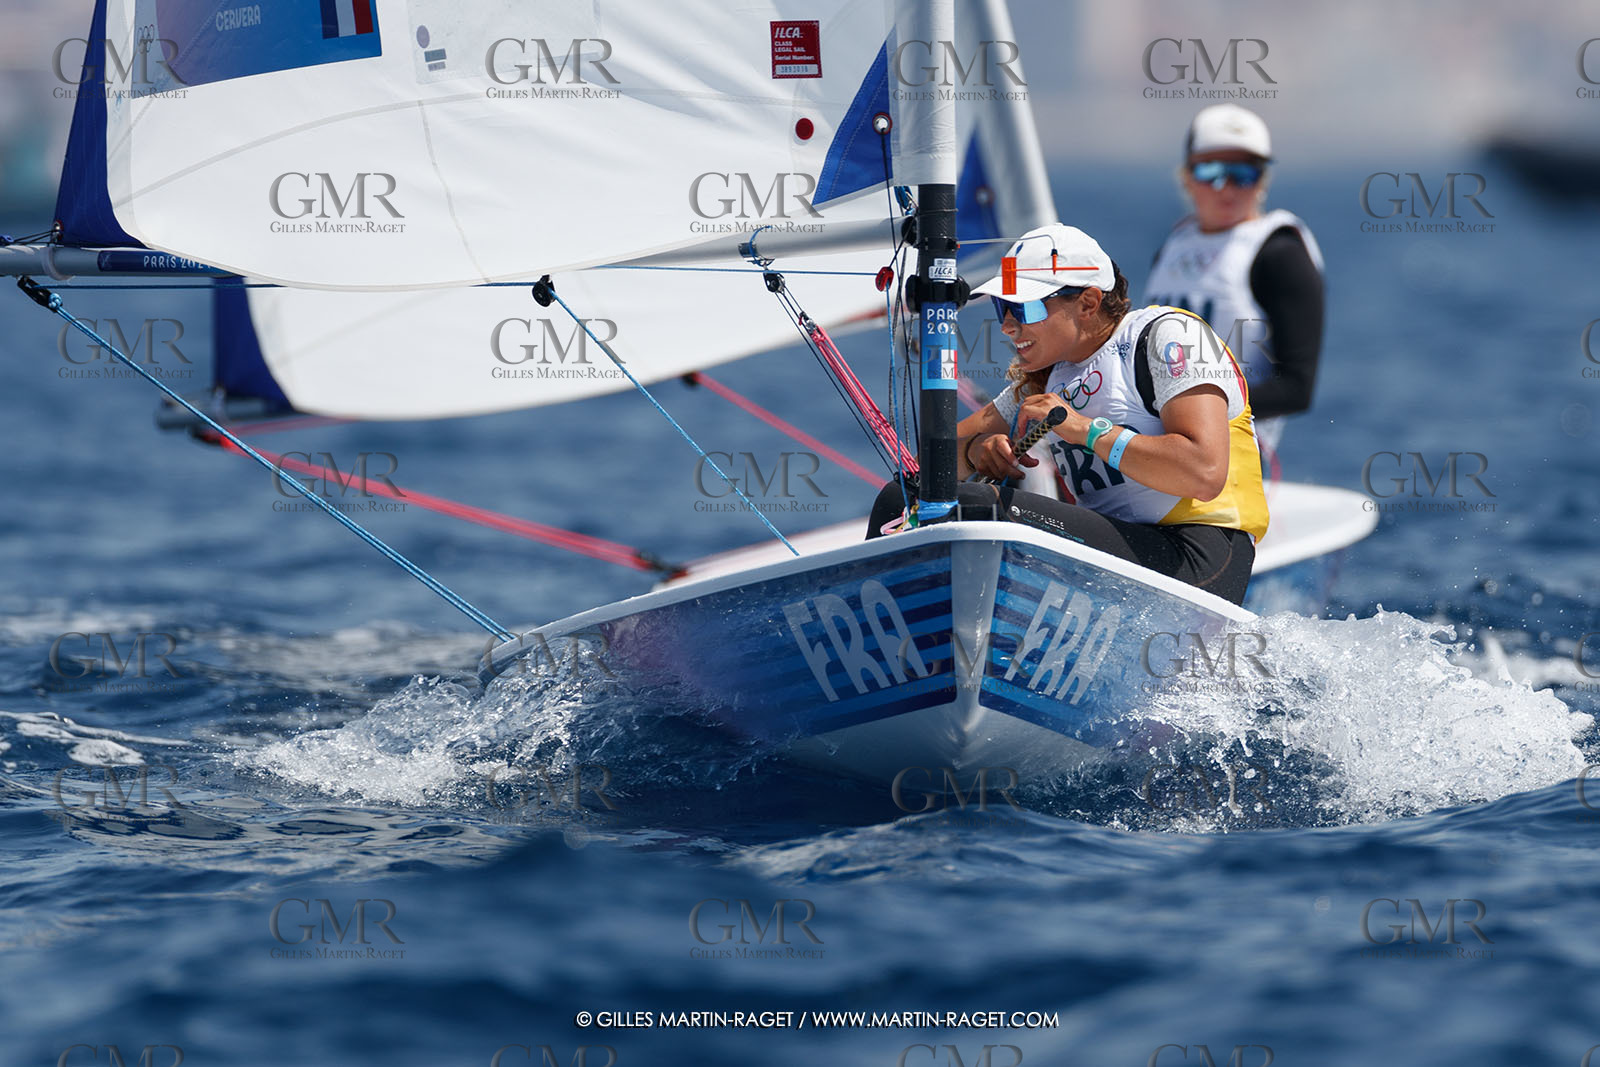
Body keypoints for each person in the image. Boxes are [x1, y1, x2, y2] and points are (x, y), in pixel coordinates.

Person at [866, 223, 1268, 606]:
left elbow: (1203, 473)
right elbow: (937, 462)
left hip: (1200, 557)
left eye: (1023, 309)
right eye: (1002, 307)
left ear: (1089, 303)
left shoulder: (1168, 336)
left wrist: (1082, 429)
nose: (1007, 326)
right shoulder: (1048, 377)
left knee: (978, 504)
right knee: (904, 497)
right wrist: (976, 453)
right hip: (1122, 556)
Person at [1143, 104, 1325, 460]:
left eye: (1243, 173)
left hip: (1232, 457)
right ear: (1187, 176)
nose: (1226, 187)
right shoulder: (1174, 247)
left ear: (1263, 180)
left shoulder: (1280, 254)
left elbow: (1296, 389)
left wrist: (1181, 409)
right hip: (1157, 438)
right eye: (1211, 170)